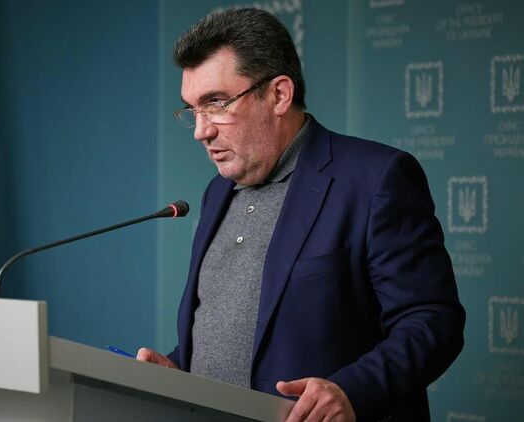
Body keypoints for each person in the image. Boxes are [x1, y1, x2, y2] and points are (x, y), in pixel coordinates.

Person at [136, 8, 465, 422]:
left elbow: (433, 321)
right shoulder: (217, 192)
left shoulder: (376, 179)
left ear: (279, 95)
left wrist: (352, 391)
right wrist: (180, 371)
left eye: (216, 103)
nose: (202, 130)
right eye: (193, 110)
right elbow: (242, 335)